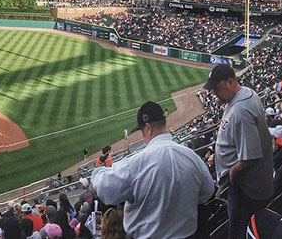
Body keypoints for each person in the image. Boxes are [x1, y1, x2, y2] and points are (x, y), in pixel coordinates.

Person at [90, 101, 215, 239]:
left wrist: (97, 172)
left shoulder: (136, 163)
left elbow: (105, 189)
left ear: (148, 128)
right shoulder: (192, 156)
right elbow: (207, 192)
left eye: (142, 131)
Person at [205, 64, 274, 239]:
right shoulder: (245, 94)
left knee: (238, 231)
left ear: (230, 82)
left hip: (245, 188)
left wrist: (231, 176)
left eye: (216, 89)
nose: (214, 94)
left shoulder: (241, 110)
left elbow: (250, 156)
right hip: (251, 184)